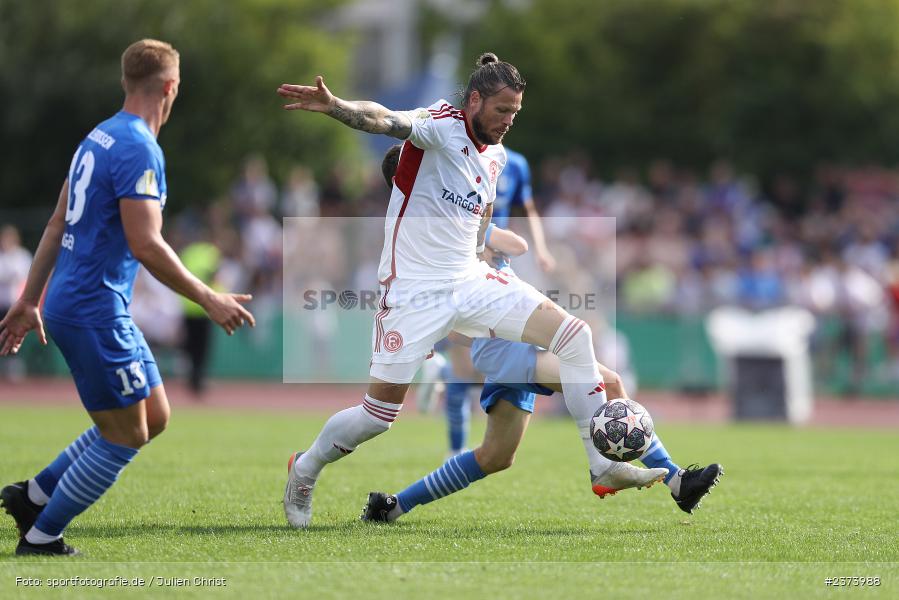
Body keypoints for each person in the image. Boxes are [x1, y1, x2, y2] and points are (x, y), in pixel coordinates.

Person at [277, 52, 667, 529]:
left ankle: (601, 463)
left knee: (575, 334)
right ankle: (305, 469)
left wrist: (488, 243)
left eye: (516, 113)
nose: (508, 121)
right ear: (475, 100)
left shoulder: (497, 158)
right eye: (502, 110)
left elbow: (478, 219)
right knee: (376, 417)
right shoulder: (440, 124)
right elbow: (382, 118)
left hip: (472, 282)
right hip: (413, 293)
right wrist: (336, 105)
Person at [361, 148, 722, 522]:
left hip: (510, 337)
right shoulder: (427, 232)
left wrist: (483, 228)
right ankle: (670, 480)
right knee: (610, 382)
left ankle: (391, 507)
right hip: (500, 344)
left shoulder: (456, 215)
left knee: (495, 456)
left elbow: (517, 246)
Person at [0, 39, 255, 556]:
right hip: (93, 307)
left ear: (125, 82)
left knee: (154, 414)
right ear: (171, 88)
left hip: (90, 302)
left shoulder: (97, 137)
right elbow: (146, 242)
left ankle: (33, 496)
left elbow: (54, 224)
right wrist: (208, 297)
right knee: (125, 434)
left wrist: (30, 299)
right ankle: (43, 536)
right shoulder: (140, 147)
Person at [438, 147, 556, 455]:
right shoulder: (457, 156)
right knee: (465, 368)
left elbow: (527, 211)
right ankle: (456, 449)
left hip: (494, 254)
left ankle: (445, 373)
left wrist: (542, 250)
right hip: (466, 257)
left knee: (478, 362)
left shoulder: (516, 164)